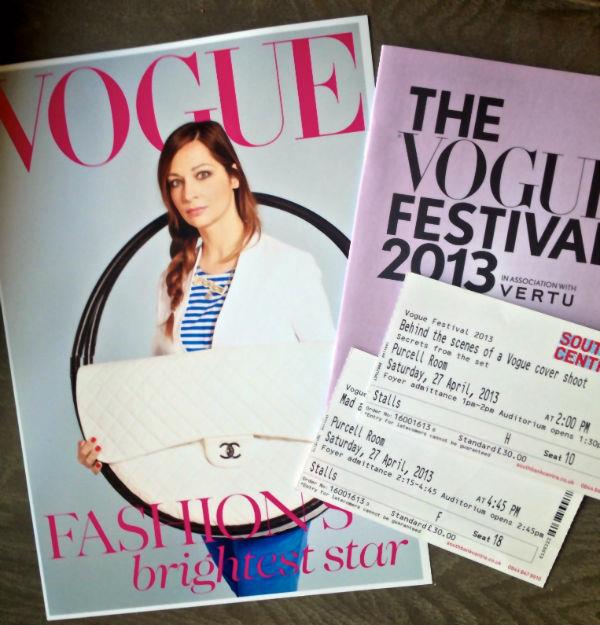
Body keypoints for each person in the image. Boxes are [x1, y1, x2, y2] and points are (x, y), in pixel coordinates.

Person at [77, 120, 335, 596]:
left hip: (275, 482)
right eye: (175, 182)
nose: (188, 193)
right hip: (199, 485)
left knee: (266, 604)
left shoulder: (291, 266)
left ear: (233, 174)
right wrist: (109, 442)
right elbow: (161, 389)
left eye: (202, 174)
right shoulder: (172, 280)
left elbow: (327, 377)